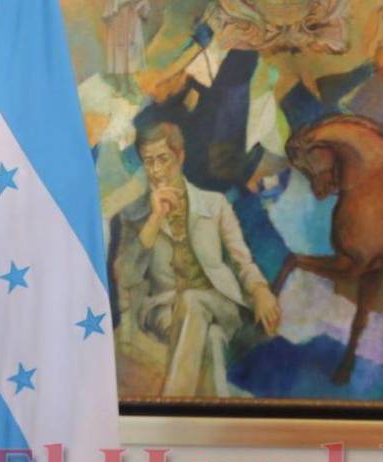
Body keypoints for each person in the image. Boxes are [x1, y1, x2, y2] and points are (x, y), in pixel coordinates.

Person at [115, 122, 281, 397]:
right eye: (148, 162)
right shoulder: (135, 215)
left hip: (221, 303)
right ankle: (211, 413)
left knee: (193, 300)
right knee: (211, 337)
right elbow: (125, 276)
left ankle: (172, 403)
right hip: (165, 311)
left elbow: (241, 260)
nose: (156, 171)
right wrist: (154, 220)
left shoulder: (215, 204)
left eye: (163, 159)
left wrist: (260, 289)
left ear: (180, 156)